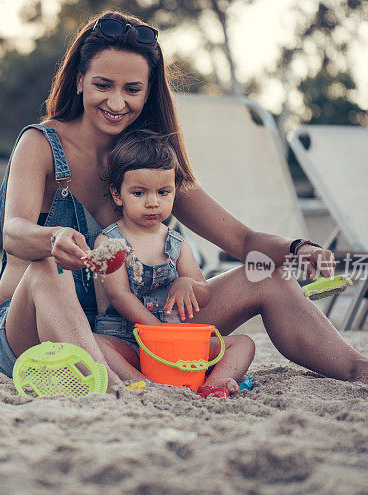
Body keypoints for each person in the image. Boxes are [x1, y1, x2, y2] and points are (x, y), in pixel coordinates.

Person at [0, 11, 368, 392]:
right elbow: (14, 231)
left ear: (148, 91)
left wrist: (300, 249)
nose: (117, 102)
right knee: (44, 266)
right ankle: (111, 388)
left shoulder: (151, 163)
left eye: (132, 89)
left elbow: (241, 239)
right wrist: (52, 237)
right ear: (79, 81)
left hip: (133, 330)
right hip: (30, 327)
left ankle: (363, 371)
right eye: (103, 85)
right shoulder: (41, 143)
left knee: (267, 272)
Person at [92, 128, 254, 394]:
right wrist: (157, 334)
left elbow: (203, 293)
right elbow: (119, 296)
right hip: (128, 341)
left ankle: (213, 384)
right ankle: (141, 382)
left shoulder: (176, 243)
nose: (153, 202)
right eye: (139, 193)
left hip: (174, 343)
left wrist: (185, 282)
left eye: (163, 192)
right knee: (94, 344)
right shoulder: (110, 242)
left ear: (174, 192)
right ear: (117, 194)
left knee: (243, 343)